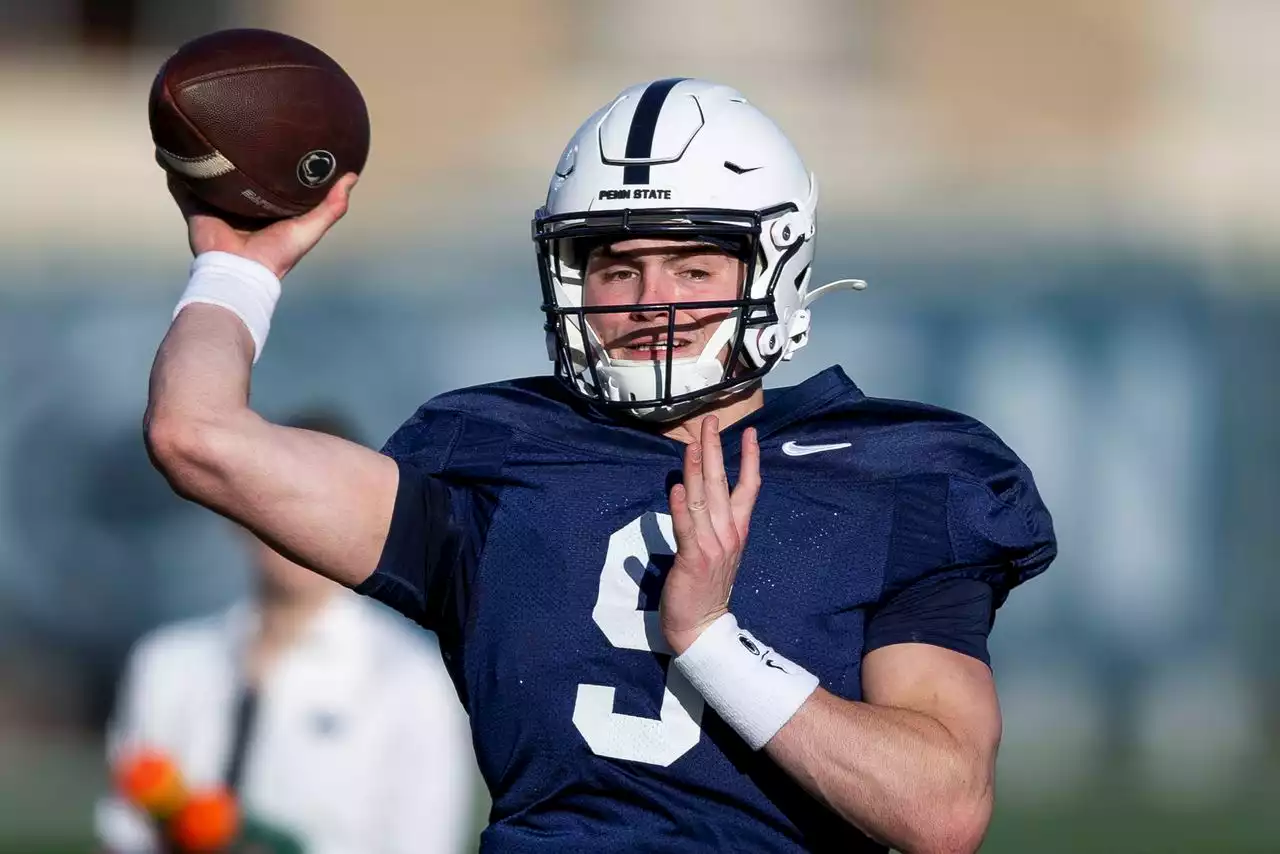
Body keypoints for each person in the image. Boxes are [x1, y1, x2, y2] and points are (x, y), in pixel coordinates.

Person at [144, 78, 1056, 853]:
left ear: (775, 266)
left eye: (694, 269)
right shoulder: (493, 452)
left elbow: (941, 810)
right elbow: (198, 435)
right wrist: (238, 268)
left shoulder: (902, 470)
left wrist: (711, 645)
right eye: (617, 267)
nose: (651, 302)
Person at [97, 411, 482, 854]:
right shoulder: (166, 663)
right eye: (280, 496)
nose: (300, 525)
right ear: (233, 508)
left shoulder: (413, 680)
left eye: (326, 502)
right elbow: (123, 837)